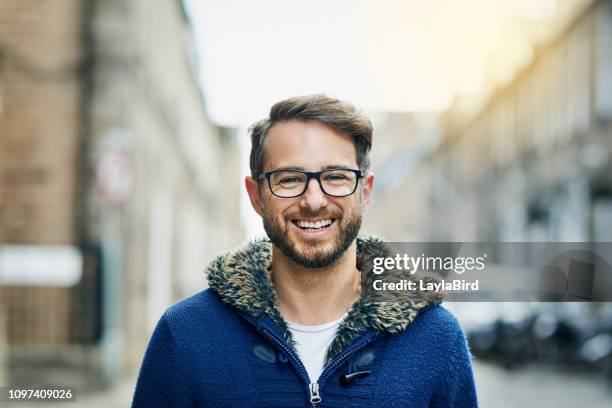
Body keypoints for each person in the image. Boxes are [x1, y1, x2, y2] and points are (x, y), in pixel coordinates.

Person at [132, 95, 478, 407]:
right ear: (256, 196)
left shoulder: (436, 338)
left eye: (337, 177)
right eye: (289, 179)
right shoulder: (185, 335)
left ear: (365, 192)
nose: (314, 200)